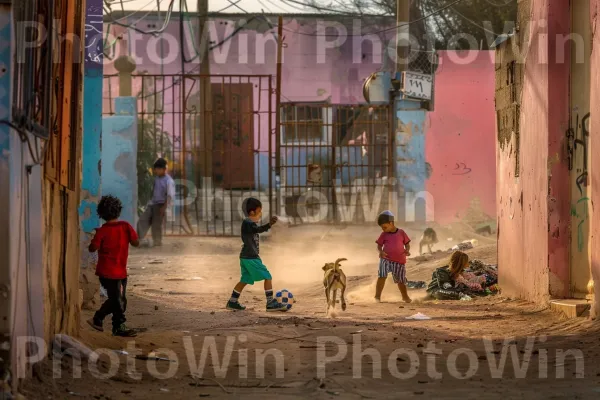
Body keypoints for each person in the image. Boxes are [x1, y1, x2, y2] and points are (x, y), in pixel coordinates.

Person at [87, 195, 139, 337]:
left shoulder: (102, 230)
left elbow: (93, 248)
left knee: (118, 300)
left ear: (101, 214)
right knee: (118, 300)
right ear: (119, 211)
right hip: (116, 273)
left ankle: (115, 326)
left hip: (108, 273)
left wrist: (95, 241)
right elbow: (136, 242)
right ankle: (99, 318)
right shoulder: (125, 227)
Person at [226, 198, 287, 312]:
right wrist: (269, 224)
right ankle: (270, 303)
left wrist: (268, 224)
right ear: (252, 212)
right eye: (259, 212)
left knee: (245, 279)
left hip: (246, 257)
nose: (260, 215)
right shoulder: (248, 223)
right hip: (251, 258)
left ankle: (232, 301)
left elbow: (256, 230)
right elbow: (258, 229)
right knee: (268, 277)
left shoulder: (249, 223)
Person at [375, 210, 412, 303]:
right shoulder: (384, 234)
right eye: (382, 228)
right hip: (385, 258)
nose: (383, 229)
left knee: (401, 280)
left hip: (399, 261)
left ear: (391, 223)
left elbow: (407, 243)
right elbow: (379, 245)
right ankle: (377, 297)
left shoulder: (401, 232)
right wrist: (381, 251)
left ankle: (405, 297)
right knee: (382, 276)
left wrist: (407, 250)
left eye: (384, 227)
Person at [137, 158, 175, 247]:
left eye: (158, 169)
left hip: (161, 205)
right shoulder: (156, 179)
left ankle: (157, 242)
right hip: (153, 203)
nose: (156, 171)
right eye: (156, 169)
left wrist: (164, 208)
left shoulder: (169, 181)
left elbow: (170, 196)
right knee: (143, 219)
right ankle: (137, 238)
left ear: (164, 169)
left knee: (156, 224)